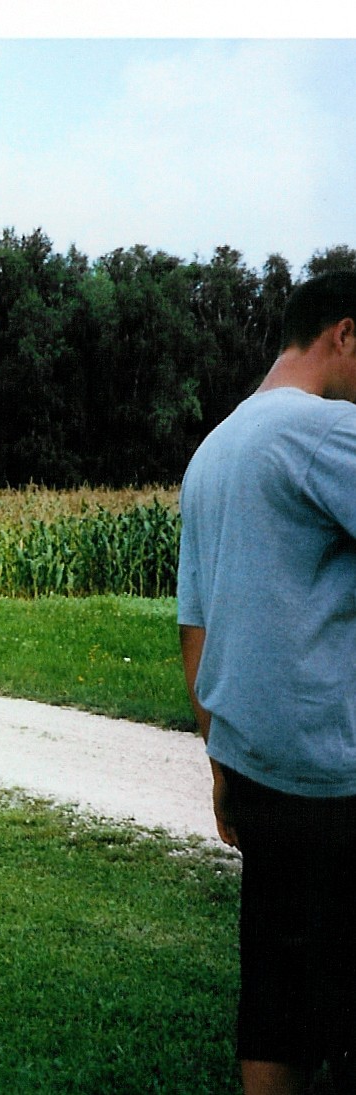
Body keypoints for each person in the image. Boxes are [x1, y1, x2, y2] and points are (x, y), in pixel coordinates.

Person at [177, 271, 356, 1095]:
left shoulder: (214, 451)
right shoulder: (325, 430)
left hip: (256, 772)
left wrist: (219, 766)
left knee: (277, 1006)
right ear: (344, 334)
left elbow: (196, 627)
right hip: (334, 777)